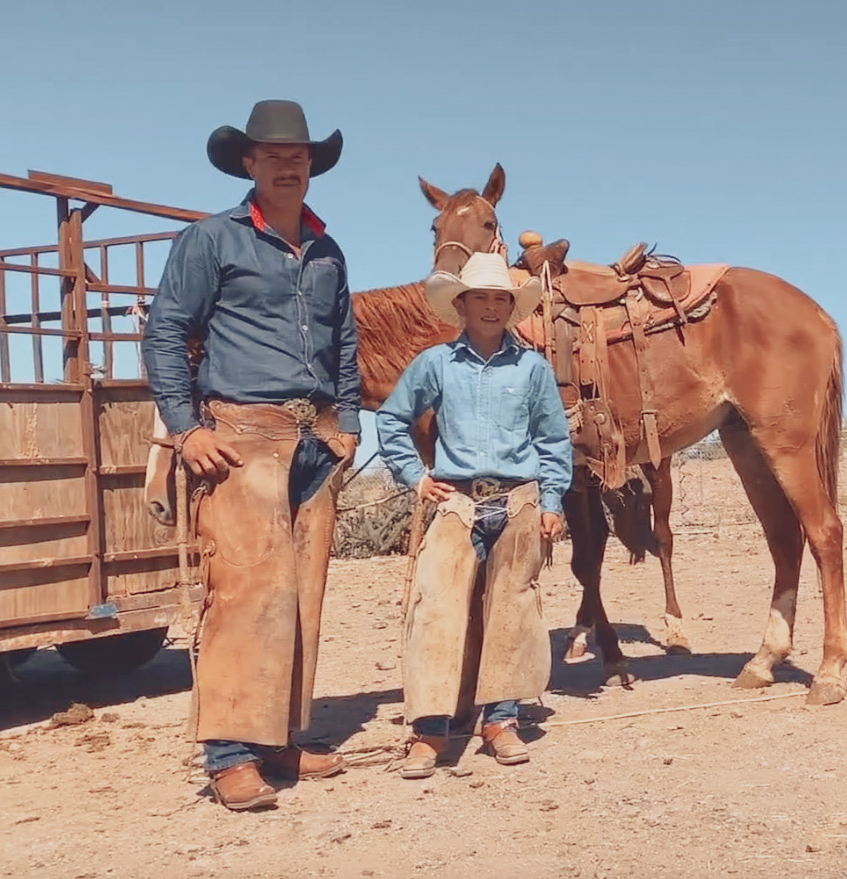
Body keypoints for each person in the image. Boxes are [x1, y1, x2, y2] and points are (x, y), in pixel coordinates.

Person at [141, 100, 359, 811]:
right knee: (242, 592)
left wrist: (349, 420)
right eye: (273, 156)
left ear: (310, 166)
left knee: (301, 599)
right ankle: (230, 754)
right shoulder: (212, 239)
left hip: (312, 440)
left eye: (298, 156)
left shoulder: (328, 252)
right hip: (238, 436)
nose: (287, 165)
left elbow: (344, 342)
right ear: (248, 164)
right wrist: (184, 427)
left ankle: (280, 737)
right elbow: (166, 330)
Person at [376, 251, 573, 780]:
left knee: (513, 610)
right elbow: (394, 419)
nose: (490, 307)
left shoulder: (533, 368)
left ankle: (500, 722)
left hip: (519, 500)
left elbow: (553, 440)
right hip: (456, 500)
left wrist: (552, 502)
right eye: (480, 298)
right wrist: (415, 476)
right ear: (461, 304)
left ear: (512, 307)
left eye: (500, 299)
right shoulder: (435, 363)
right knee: (436, 609)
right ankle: (430, 730)